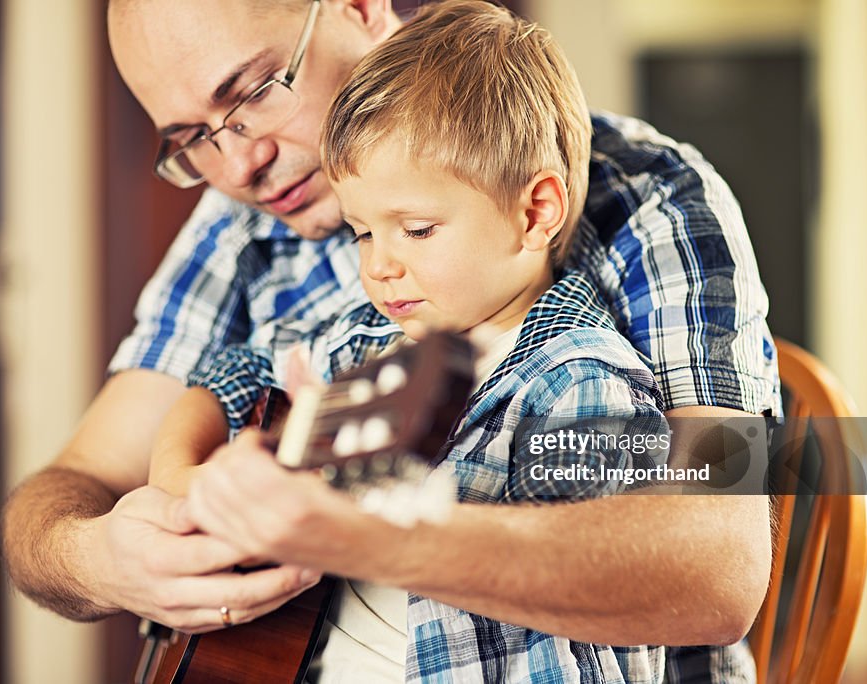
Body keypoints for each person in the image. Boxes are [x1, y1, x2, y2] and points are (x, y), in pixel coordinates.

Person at [0, 0, 776, 680]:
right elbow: (69, 487)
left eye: (253, 95)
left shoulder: (644, 196)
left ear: (360, 4)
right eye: (192, 139)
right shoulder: (239, 225)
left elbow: (717, 571)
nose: (238, 165)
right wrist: (108, 557)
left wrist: (377, 538)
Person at [148, 7, 670, 677]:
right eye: (362, 232)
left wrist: (384, 529)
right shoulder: (365, 340)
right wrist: (182, 481)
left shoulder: (582, 385)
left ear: (535, 211)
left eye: (416, 230)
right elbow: (230, 378)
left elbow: (595, 628)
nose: (378, 267)